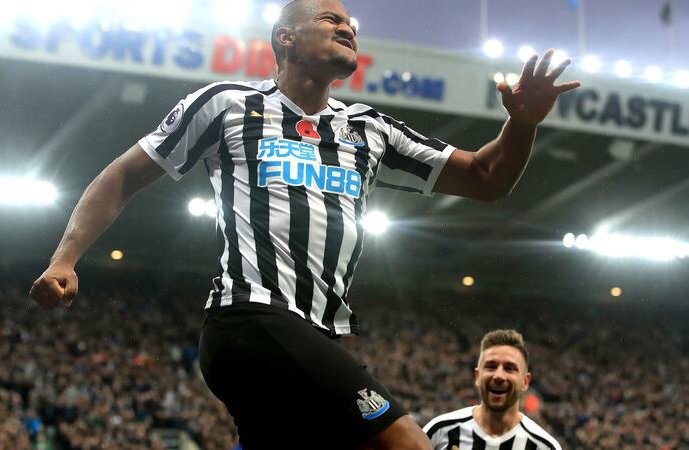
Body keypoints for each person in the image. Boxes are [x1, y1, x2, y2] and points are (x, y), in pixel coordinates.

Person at [29, 0, 579, 448]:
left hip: (319, 338)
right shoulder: (227, 106)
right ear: (284, 38)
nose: (348, 29)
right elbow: (123, 176)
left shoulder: (370, 130)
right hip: (249, 319)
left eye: (352, 25)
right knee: (408, 444)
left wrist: (522, 125)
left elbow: (487, 177)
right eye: (330, 20)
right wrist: (64, 258)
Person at [423, 330, 562, 450]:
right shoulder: (439, 431)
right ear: (477, 376)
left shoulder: (544, 446)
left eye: (509, 368)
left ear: (525, 382)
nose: (499, 376)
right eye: (491, 366)